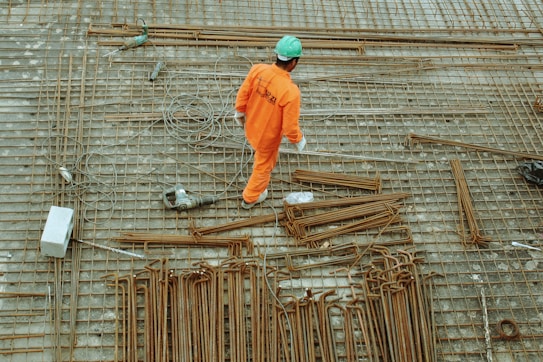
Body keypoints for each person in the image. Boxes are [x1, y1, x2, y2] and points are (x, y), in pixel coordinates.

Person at [234, 35, 307, 209]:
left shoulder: (258, 70)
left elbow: (243, 93)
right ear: (293, 63)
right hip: (267, 139)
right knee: (263, 166)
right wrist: (298, 140)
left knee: (259, 156)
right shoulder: (291, 92)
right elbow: (290, 127)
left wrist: (239, 112)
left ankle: (252, 192)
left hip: (250, 126)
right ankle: (250, 198)